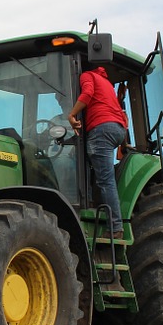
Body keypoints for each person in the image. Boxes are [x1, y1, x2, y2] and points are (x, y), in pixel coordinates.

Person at [68, 67, 127, 238]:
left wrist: (72, 115)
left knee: (105, 180)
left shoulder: (87, 75)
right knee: (83, 158)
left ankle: (115, 227)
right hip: (117, 128)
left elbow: (87, 94)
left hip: (101, 128)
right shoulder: (106, 83)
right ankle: (90, 201)